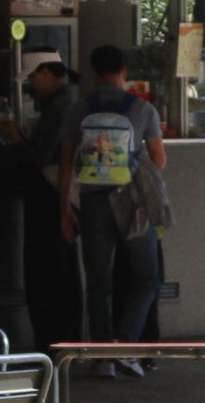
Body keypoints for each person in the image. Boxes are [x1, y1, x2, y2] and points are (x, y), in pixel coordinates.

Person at [59, 42, 167, 377]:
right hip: (132, 202)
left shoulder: (79, 109)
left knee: (98, 281)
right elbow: (160, 159)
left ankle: (103, 357)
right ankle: (126, 343)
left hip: (93, 201)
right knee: (147, 277)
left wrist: (64, 207)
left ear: (94, 73)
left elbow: (66, 162)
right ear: (124, 71)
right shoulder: (143, 109)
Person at [11, 52, 83, 349]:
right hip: (60, 197)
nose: (31, 85)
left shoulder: (59, 108)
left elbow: (40, 155)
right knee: (63, 270)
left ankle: (52, 339)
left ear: (46, 73)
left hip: (50, 197)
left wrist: (17, 140)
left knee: (47, 271)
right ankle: (65, 338)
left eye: (32, 77)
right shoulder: (69, 102)